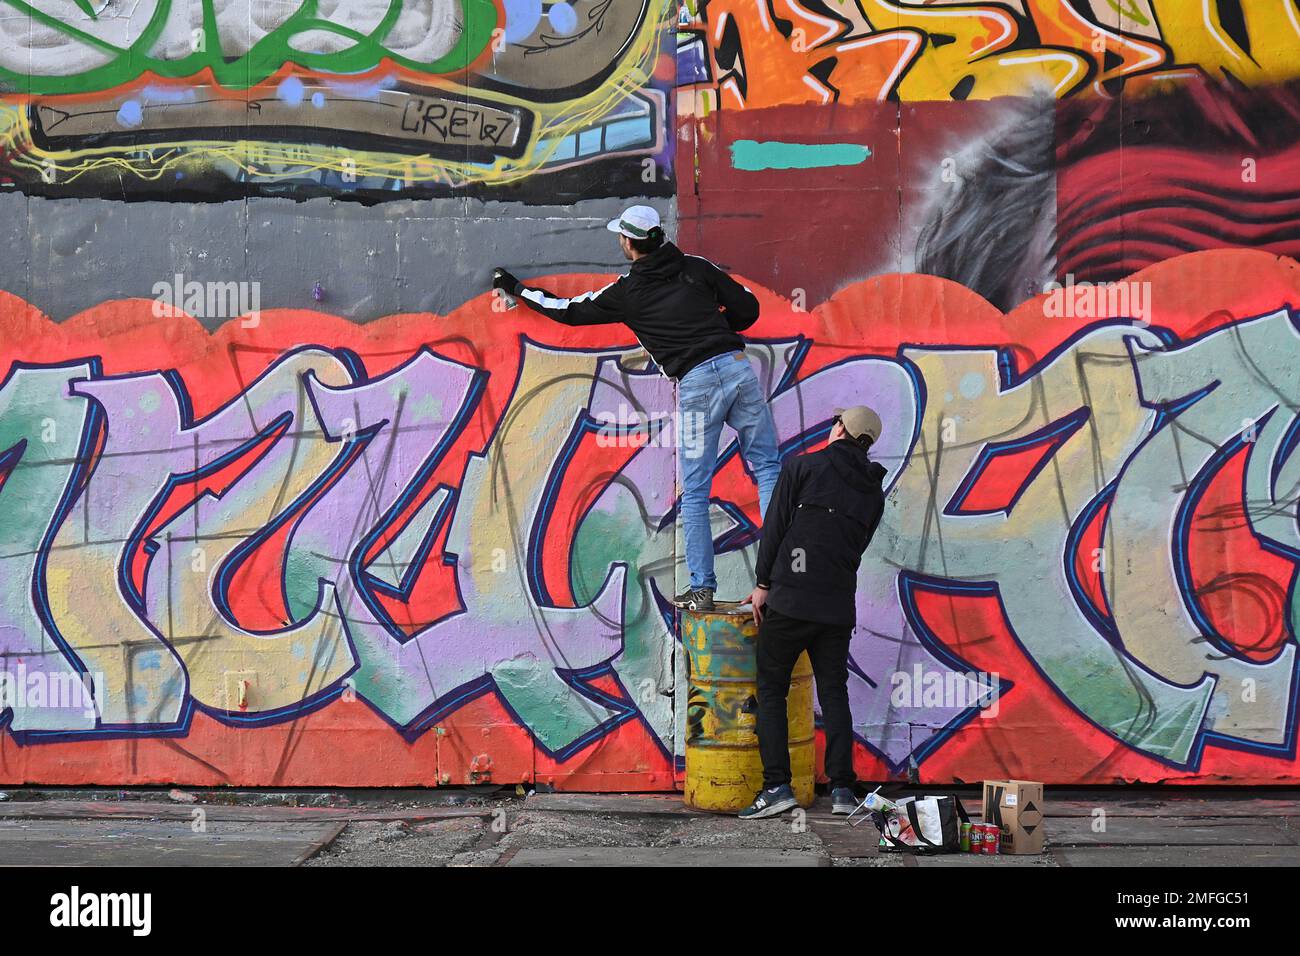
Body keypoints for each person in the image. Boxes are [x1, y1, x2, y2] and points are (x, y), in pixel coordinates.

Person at [491, 204, 782, 611]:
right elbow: (747, 310)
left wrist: (519, 289)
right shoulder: (696, 268)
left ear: (630, 243)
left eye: (621, 238)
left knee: (697, 490)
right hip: (737, 369)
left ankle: (702, 588)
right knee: (768, 467)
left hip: (697, 385)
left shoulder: (628, 292)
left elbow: (569, 312)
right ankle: (781, 576)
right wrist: (713, 323)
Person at [739, 406, 888, 819]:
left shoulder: (802, 467)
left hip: (789, 602)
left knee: (771, 691)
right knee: (834, 692)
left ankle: (777, 787)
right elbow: (856, 549)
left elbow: (776, 529)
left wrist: (763, 584)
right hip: (837, 607)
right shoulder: (872, 492)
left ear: (839, 428)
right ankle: (842, 789)